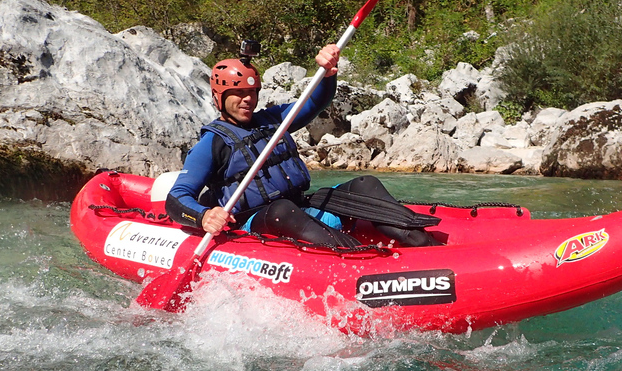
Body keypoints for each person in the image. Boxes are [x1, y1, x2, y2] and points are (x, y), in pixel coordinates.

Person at [165, 43, 440, 248]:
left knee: (364, 184)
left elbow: (313, 102)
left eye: (251, 93)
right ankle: (358, 258)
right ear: (218, 97)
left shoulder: (272, 120)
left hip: (303, 209)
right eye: (237, 93)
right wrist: (203, 217)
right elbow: (176, 198)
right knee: (282, 210)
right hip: (258, 223)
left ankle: (423, 243)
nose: (247, 100)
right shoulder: (211, 143)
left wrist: (328, 73)